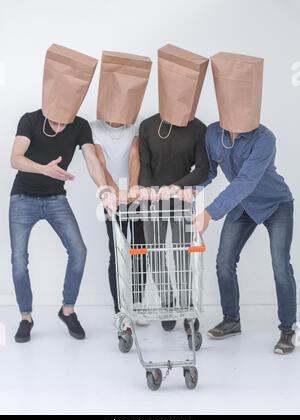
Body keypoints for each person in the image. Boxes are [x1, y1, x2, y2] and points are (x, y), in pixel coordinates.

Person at [10, 44, 116, 344]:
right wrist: (44, 169)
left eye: (63, 121)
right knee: (19, 260)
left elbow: (93, 159)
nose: (59, 125)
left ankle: (67, 310)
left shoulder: (80, 125)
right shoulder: (29, 119)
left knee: (79, 251)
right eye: (55, 120)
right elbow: (15, 159)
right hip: (23, 199)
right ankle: (26, 318)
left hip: (56, 200)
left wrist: (105, 189)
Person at [194, 52, 297, 355]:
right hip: (242, 208)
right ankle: (231, 319)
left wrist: (210, 213)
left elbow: (245, 183)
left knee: (280, 266)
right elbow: (210, 171)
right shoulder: (213, 133)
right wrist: (187, 190)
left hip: (276, 204)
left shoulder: (265, 139)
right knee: (224, 263)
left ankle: (288, 329)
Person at [139, 45, 210, 331]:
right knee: (155, 252)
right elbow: (144, 164)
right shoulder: (147, 126)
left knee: (182, 253)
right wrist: (149, 190)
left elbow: (202, 168)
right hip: (152, 200)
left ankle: (187, 308)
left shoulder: (198, 128)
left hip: (181, 198)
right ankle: (168, 303)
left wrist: (174, 187)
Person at [92, 50, 152, 328]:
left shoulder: (136, 123)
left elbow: (135, 157)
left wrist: (135, 188)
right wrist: (115, 192)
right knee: (116, 251)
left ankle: (137, 304)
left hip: (136, 194)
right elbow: (100, 163)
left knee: (139, 247)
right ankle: (120, 310)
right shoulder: (93, 127)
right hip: (111, 197)